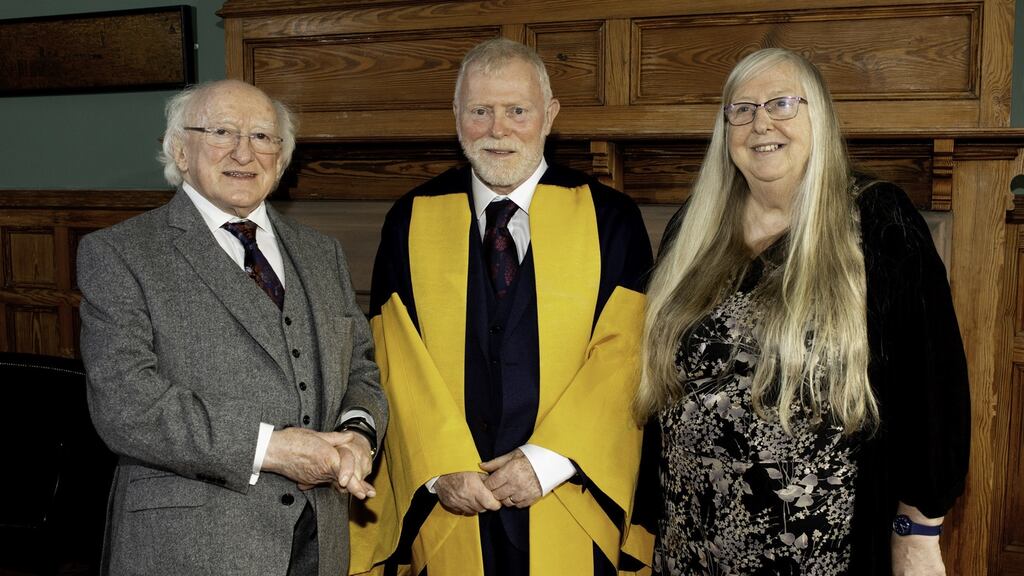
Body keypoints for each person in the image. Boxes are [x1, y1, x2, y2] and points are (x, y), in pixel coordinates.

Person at [636, 48, 971, 575]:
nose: (761, 123)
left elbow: (931, 385)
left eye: (782, 103)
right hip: (690, 545)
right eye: (742, 109)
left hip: (819, 552)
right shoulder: (692, 228)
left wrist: (917, 533)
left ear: (820, 115)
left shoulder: (876, 220)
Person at [349, 38, 655, 575]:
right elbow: (395, 354)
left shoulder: (610, 218)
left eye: (517, 110)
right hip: (450, 505)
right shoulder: (411, 218)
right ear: (456, 115)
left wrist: (548, 461)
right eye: (480, 111)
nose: (498, 129)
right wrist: (440, 466)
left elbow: (625, 355)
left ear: (549, 115)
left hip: (570, 497)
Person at [78, 79, 388, 576]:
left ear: (281, 159)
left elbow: (361, 370)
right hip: (190, 546)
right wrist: (271, 449)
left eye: (262, 136)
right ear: (180, 151)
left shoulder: (322, 252)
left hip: (321, 541)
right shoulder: (119, 253)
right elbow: (126, 405)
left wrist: (357, 435)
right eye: (222, 132)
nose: (244, 152)